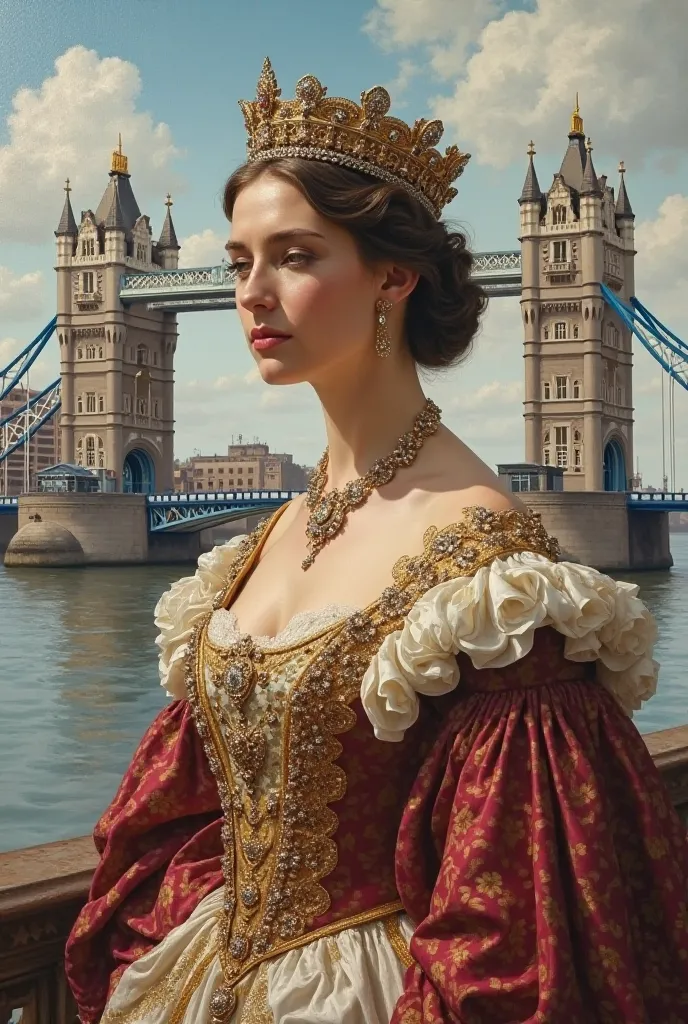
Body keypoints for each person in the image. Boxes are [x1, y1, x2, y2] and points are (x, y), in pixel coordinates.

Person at [66, 59, 688, 1024]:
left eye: (298, 256)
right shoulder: (268, 534)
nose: (252, 294)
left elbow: (514, 916)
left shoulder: (484, 559)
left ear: (394, 276)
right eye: (238, 263)